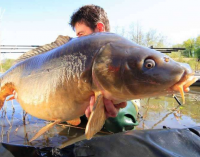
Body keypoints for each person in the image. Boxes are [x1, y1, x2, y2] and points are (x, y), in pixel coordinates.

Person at [69, 4, 139, 132]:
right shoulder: (79, 57)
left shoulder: (122, 51)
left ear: (100, 29)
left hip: (126, 102)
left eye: (81, 35)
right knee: (59, 113)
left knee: (119, 120)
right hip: (88, 103)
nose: (78, 41)